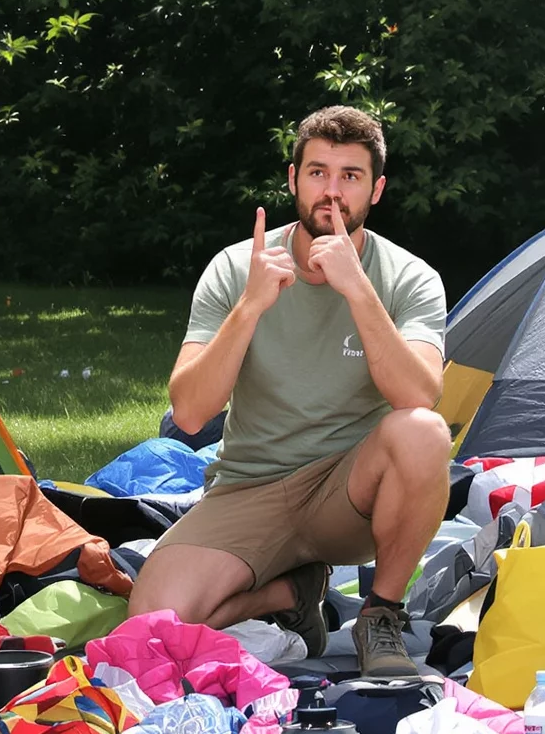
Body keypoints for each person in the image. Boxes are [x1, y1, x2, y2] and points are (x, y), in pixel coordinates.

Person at [128, 104, 452, 678]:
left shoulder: (409, 277)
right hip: (249, 486)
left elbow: (419, 397)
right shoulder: (237, 268)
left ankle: (380, 615)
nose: (332, 192)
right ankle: (292, 595)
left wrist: (358, 291)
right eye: (318, 172)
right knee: (153, 626)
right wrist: (250, 307)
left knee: (422, 432)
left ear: (376, 190)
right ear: (293, 179)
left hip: (347, 494)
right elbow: (190, 411)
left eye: (350, 176)